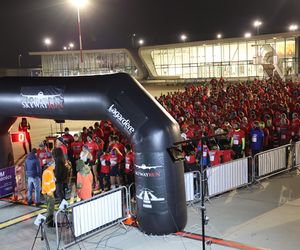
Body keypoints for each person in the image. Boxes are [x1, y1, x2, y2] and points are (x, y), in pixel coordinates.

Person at [42, 160, 56, 227]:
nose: (55, 166)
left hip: (50, 193)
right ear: (51, 165)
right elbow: (46, 184)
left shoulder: (50, 171)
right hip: (48, 194)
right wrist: (50, 193)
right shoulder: (47, 172)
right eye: (54, 164)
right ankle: (49, 222)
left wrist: (54, 179)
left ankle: (50, 221)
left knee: (51, 208)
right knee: (50, 208)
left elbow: (51, 180)